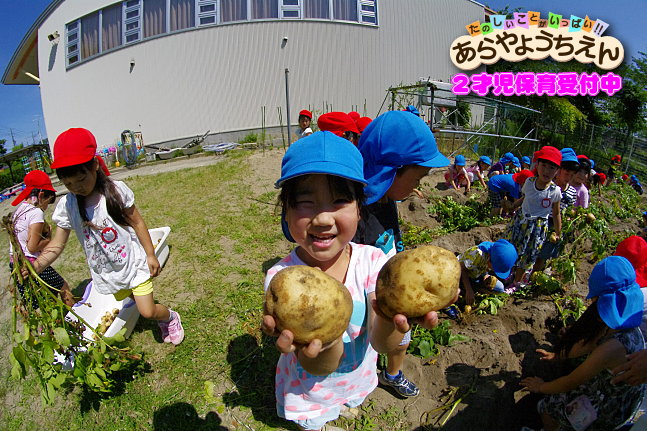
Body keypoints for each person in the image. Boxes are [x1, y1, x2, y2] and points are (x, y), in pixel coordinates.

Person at [262, 131, 444, 430]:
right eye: (305, 202)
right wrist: (326, 341)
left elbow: (382, 343)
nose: (322, 218)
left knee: (350, 400)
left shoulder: (373, 261)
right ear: (286, 211)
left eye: (339, 201)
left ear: (360, 209)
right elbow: (316, 365)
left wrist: (391, 318)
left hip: (358, 378)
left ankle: (345, 402)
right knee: (317, 419)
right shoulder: (282, 279)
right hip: (311, 390)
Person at [28, 128, 184, 345]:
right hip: (108, 273)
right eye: (68, 184)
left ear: (94, 165)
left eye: (81, 179)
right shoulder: (68, 205)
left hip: (133, 264)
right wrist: (37, 265)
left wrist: (150, 254)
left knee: (147, 311)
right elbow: (57, 243)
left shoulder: (114, 192)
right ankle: (137, 302)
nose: (76, 188)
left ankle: (169, 317)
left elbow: (137, 221)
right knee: (132, 299)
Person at [354, 110, 451, 398]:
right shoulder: (356, 215)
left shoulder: (387, 198)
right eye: (418, 177)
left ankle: (392, 374)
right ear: (390, 172)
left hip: (395, 295)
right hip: (370, 302)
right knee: (371, 344)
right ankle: (361, 378)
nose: (419, 184)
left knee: (402, 340)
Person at [521, 256, 645, 431]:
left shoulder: (612, 348)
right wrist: (558, 355)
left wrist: (541, 387)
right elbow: (588, 344)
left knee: (547, 407)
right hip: (613, 391)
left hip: (609, 408)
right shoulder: (623, 325)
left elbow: (571, 381)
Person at [9, 170, 74, 308]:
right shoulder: (36, 212)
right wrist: (49, 237)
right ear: (41, 195)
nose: (46, 207)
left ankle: (49, 328)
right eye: (47, 202)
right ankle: (77, 315)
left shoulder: (19, 210)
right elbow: (32, 247)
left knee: (39, 302)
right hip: (31, 263)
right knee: (63, 287)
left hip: (15, 263)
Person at [506, 146, 562, 285]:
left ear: (557, 171)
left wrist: (557, 231)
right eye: (544, 165)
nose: (546, 171)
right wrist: (514, 205)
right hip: (520, 221)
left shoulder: (555, 191)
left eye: (552, 168)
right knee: (512, 247)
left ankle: (516, 282)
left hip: (536, 228)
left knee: (527, 254)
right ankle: (508, 273)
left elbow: (556, 213)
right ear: (537, 165)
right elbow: (525, 198)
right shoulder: (529, 183)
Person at [534, 148, 580, 273]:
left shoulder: (572, 192)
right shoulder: (549, 185)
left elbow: (569, 209)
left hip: (556, 225)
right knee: (534, 249)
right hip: (542, 221)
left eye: (572, 175)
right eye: (566, 173)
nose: (568, 178)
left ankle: (537, 273)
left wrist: (568, 220)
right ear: (558, 170)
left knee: (546, 252)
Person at [458, 239, 517, 306]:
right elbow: (462, 269)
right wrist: (468, 290)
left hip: (476, 275)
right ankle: (467, 288)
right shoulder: (477, 254)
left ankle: (475, 288)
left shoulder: (493, 254)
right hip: (461, 274)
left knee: (500, 288)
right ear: (490, 259)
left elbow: (483, 268)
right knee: (457, 293)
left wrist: (485, 276)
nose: (493, 270)